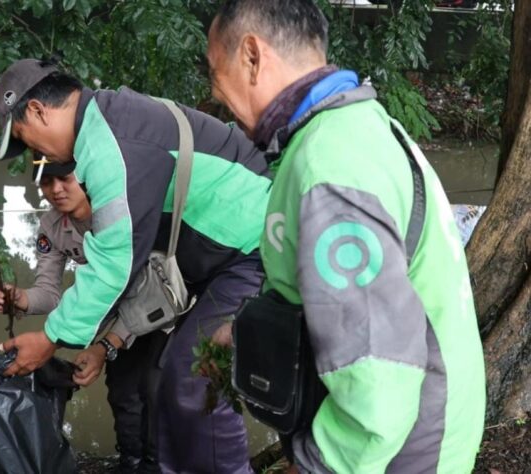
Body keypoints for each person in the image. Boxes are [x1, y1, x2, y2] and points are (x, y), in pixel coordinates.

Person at [206, 1, 486, 472]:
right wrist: (246, 333)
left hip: (399, 453)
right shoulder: (354, 127)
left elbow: (377, 380)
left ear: (252, 56)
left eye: (216, 74)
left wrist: (319, 464)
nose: (216, 95)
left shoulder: (331, 167)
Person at [0, 59, 272, 473]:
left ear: (37, 110)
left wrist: (50, 338)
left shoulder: (111, 147)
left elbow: (113, 263)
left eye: (24, 137)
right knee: (174, 380)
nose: (37, 154)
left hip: (255, 245)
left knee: (195, 375)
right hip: (219, 259)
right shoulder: (107, 121)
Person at [0, 160, 164, 473]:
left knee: (157, 389)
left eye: (64, 179)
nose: (56, 190)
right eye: (46, 182)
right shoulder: (52, 226)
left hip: (164, 304)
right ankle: (131, 462)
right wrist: (21, 299)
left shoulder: (120, 211)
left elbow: (150, 287)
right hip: (116, 310)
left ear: (83, 178)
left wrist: (105, 345)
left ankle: (158, 464)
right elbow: (49, 292)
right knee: (123, 391)